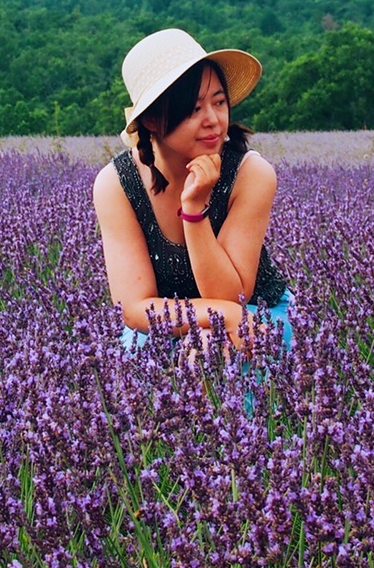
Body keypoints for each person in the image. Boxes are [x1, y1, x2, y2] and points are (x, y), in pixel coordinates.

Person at [93, 28, 293, 357]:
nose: (214, 120)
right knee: (128, 388)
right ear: (154, 120)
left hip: (257, 313)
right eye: (194, 109)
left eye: (219, 102)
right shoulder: (116, 184)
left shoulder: (250, 174)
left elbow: (232, 296)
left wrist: (195, 210)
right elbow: (133, 306)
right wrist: (225, 316)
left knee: (207, 350)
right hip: (167, 323)